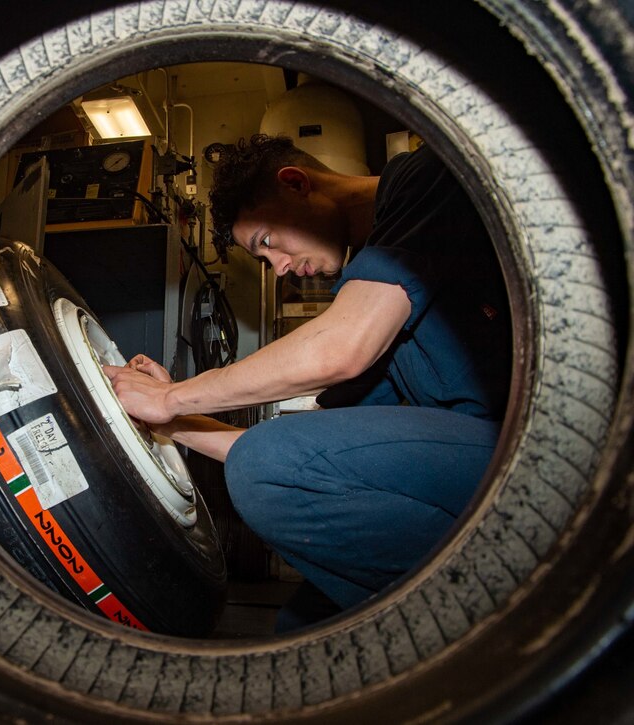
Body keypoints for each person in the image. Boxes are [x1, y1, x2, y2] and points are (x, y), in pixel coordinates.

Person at [103, 134, 511, 630]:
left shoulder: (433, 175)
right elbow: (303, 465)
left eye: (267, 244)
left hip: (529, 451)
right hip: (470, 467)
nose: (280, 271)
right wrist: (172, 424)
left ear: (295, 183)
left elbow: (338, 352)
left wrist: (171, 396)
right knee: (300, 629)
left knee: (269, 462)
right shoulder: (377, 290)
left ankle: (501, 628)